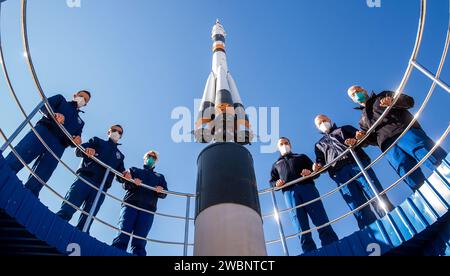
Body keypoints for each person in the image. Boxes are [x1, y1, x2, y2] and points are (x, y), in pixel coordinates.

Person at [348, 85, 448, 190]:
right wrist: (362, 138)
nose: (356, 94)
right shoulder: (362, 120)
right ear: (353, 100)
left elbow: (409, 101)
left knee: (429, 154)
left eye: (357, 90)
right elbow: (372, 140)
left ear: (364, 90)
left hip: (405, 132)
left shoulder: (383, 95)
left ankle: (447, 172)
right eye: (353, 94)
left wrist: (393, 101)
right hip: (388, 146)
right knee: (406, 172)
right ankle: (426, 196)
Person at [312, 115, 394, 229]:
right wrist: (317, 166)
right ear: (317, 128)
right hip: (339, 174)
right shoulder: (319, 145)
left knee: (375, 193)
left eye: (324, 120)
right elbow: (320, 161)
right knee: (357, 205)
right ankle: (371, 230)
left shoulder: (345, 128)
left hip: (357, 164)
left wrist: (357, 138)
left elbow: (361, 137)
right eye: (319, 123)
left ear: (330, 120)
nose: (323, 123)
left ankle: (391, 219)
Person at [5, 91, 91, 197]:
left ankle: (27, 196)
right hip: (43, 132)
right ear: (75, 96)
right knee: (21, 155)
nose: (82, 99)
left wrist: (77, 140)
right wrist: (53, 114)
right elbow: (44, 106)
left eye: (85, 100)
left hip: (59, 146)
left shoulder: (80, 123)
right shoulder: (60, 99)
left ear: (85, 104)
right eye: (81, 96)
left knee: (43, 173)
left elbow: (75, 139)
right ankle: (2, 173)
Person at [269, 137, 339, 253]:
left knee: (321, 219)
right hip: (290, 194)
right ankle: (309, 252)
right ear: (278, 148)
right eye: (281, 144)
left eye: (286, 143)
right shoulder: (276, 165)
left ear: (290, 145)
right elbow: (272, 182)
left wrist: (310, 172)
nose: (284, 145)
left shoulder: (301, 156)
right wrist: (276, 183)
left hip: (308, 188)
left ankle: (332, 247)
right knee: (301, 227)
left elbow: (315, 171)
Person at [56, 125, 131, 232]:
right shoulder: (97, 141)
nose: (116, 133)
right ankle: (56, 225)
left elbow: (120, 175)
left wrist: (125, 175)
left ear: (121, 136)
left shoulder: (120, 156)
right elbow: (78, 150)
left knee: (88, 218)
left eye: (119, 132)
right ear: (108, 132)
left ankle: (81, 235)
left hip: (101, 188)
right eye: (114, 130)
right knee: (69, 207)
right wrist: (87, 150)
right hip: (85, 179)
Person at [112, 150, 168, 256]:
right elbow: (124, 182)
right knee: (123, 233)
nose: (151, 159)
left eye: (154, 158)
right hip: (130, 205)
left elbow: (165, 193)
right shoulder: (134, 170)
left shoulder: (160, 177)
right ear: (144, 158)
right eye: (149, 156)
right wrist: (132, 182)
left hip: (147, 210)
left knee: (140, 240)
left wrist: (161, 190)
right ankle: (115, 253)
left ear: (156, 161)